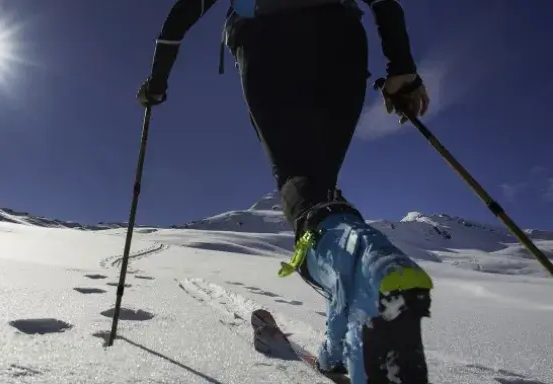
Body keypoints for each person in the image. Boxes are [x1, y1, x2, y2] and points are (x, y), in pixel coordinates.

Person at [136, 0, 434, 383]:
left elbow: (184, 11)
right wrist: (402, 67)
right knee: (320, 188)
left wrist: (157, 80)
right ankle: (337, 345)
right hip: (342, 39)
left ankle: (373, 269)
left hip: (267, 36)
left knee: (303, 187)